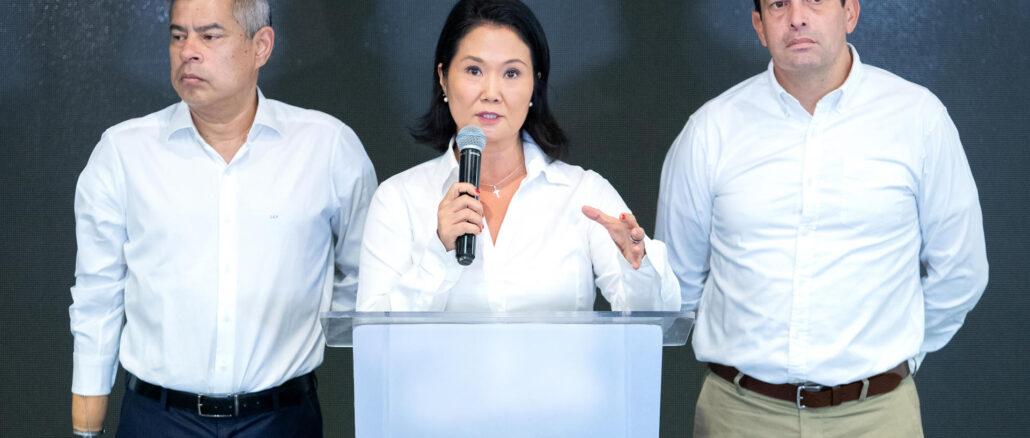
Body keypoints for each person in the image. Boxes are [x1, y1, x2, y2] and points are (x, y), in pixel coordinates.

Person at [655, 0, 988, 436]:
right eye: (778, 5)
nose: (796, 17)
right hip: (739, 416)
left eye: (814, 0)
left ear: (850, 12)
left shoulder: (918, 120)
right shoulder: (709, 131)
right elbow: (676, 285)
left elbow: (961, 271)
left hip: (877, 418)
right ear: (759, 25)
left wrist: (892, 355)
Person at [69, 0, 377, 436]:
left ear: (261, 45)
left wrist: (309, 320)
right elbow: (97, 299)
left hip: (281, 418)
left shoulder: (327, 148)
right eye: (178, 36)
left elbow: (366, 275)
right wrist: (86, 430)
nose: (188, 51)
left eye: (209, 36)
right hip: (158, 418)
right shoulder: (123, 153)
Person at [356, 0, 679, 312]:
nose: (491, 93)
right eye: (474, 70)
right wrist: (438, 252)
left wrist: (638, 266)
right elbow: (371, 334)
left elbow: (653, 321)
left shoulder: (583, 194)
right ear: (443, 77)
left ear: (535, 84)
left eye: (511, 73)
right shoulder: (399, 199)